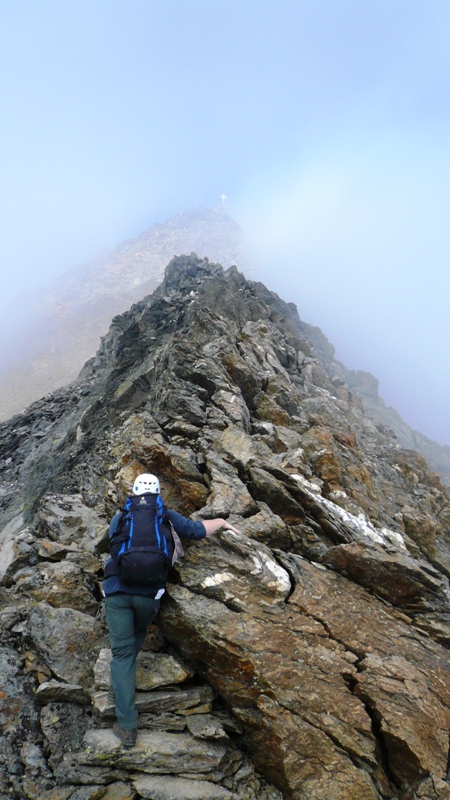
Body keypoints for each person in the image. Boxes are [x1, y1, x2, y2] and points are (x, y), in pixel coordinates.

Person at [102, 472, 241, 748]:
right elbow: (195, 530)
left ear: (133, 493)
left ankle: (127, 726)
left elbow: (111, 543)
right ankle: (120, 688)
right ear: (157, 494)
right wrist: (223, 522)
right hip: (149, 596)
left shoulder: (123, 516)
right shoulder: (164, 515)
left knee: (121, 654)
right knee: (132, 645)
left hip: (118, 593)